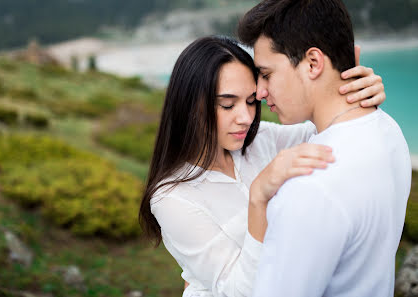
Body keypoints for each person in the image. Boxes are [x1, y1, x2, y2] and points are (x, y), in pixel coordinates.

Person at [138, 35, 386, 297]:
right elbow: (239, 291)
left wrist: (355, 93)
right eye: (227, 104)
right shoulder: (172, 197)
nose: (245, 118)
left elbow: (329, 127)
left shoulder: (260, 140)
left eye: (251, 101)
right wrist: (258, 198)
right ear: (188, 105)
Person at [236, 0, 412, 296]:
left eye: (266, 74)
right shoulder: (388, 129)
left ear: (313, 63)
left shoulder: (307, 186)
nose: (260, 91)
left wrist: (258, 198)